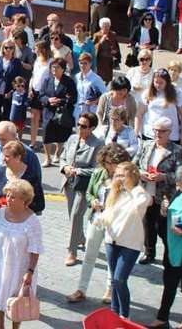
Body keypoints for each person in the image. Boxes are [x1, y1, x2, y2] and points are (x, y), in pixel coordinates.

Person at [66, 143, 130, 304]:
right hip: (97, 218)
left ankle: (110, 289)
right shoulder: (99, 173)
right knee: (89, 254)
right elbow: (89, 192)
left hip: (115, 223)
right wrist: (92, 201)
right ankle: (81, 289)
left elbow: (130, 199)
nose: (110, 166)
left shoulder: (125, 176)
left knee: (111, 256)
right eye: (107, 162)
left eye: (113, 162)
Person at [0, 179, 43, 329]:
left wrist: (29, 272)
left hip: (19, 269)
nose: (8, 199)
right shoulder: (1, 214)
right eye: (8, 195)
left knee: (16, 303)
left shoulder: (32, 221)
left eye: (13, 196)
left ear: (24, 200)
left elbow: (35, 249)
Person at [97, 161, 151, 319]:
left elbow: (142, 204)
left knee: (120, 279)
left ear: (131, 176)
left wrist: (128, 187)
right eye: (117, 175)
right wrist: (100, 219)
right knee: (113, 280)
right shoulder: (116, 193)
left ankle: (124, 315)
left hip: (130, 243)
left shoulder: (139, 192)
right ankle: (114, 314)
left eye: (122, 175)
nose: (118, 178)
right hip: (111, 241)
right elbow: (109, 212)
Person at [134, 117, 182, 266]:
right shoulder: (146, 145)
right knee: (147, 224)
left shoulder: (177, 151)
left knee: (163, 228)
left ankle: (170, 255)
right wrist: (141, 173)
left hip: (166, 196)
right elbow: (133, 165)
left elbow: (180, 175)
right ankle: (149, 252)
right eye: (155, 130)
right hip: (146, 192)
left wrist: (163, 177)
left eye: (162, 131)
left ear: (170, 132)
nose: (157, 133)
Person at [59, 112, 104, 266]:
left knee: (77, 215)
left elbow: (98, 169)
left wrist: (78, 171)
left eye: (84, 126)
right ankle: (80, 238)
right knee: (72, 216)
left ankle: (72, 252)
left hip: (84, 186)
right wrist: (65, 166)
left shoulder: (97, 144)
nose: (79, 128)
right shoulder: (72, 139)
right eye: (78, 124)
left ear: (92, 128)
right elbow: (63, 157)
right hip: (68, 183)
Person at [147, 167, 182, 329]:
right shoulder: (177, 194)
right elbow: (164, 222)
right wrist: (163, 211)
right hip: (173, 248)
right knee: (169, 283)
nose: (178, 185)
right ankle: (162, 317)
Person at [39, 58, 78, 167]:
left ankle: (58, 153)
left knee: (61, 135)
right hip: (49, 112)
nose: (54, 69)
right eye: (53, 67)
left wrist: (61, 101)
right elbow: (41, 95)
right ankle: (47, 158)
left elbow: (73, 98)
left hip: (63, 113)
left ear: (63, 69)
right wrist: (48, 100)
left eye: (57, 67)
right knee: (46, 135)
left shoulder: (69, 82)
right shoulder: (47, 80)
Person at [0, 141, 45, 214]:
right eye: (3, 155)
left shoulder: (31, 176)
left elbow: (40, 205)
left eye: (7, 156)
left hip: (20, 221)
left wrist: (19, 206)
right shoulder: (0, 172)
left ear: (18, 157)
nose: (3, 159)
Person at [135, 68, 182, 143]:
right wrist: (136, 131)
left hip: (171, 135)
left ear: (167, 82)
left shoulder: (177, 93)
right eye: (156, 82)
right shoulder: (147, 93)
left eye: (161, 83)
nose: (158, 85)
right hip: (150, 134)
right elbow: (139, 114)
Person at [74, 52, 107, 120]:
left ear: (90, 64)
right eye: (81, 63)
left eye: (85, 63)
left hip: (91, 112)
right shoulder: (77, 76)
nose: (83, 65)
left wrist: (94, 102)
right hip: (78, 111)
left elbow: (106, 95)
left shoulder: (96, 78)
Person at [93, 17, 121, 84]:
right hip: (100, 60)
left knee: (108, 78)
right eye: (104, 26)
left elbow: (116, 46)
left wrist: (115, 51)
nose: (106, 28)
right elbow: (93, 47)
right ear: (101, 26)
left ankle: (104, 88)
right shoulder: (97, 35)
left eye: (108, 26)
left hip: (109, 59)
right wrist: (100, 42)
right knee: (99, 77)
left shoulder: (113, 34)